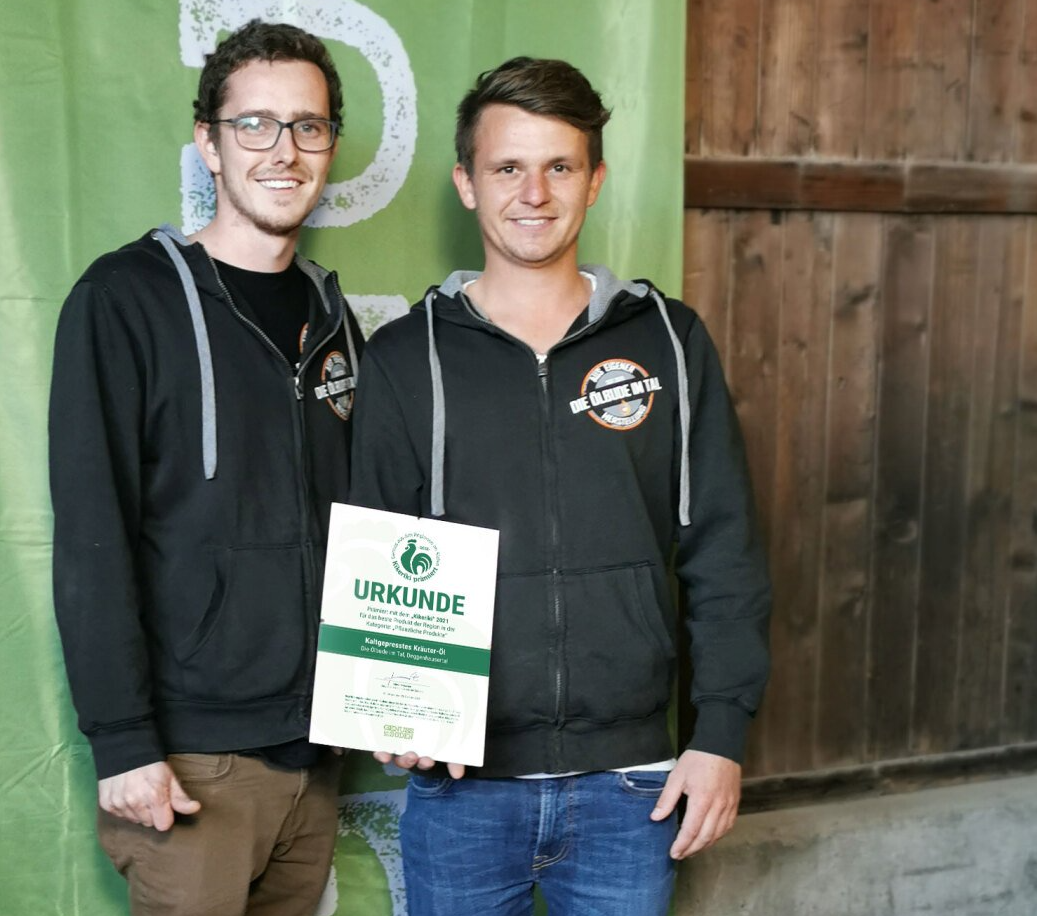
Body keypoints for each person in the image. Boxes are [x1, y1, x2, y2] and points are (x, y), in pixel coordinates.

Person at [349, 57, 771, 916]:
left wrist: (721, 735)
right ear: (467, 183)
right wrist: (393, 713)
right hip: (462, 788)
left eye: (559, 167)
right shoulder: (404, 358)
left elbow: (723, 549)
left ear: (595, 180)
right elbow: (378, 552)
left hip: (633, 785)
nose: (534, 193)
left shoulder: (669, 340)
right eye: (507, 167)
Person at [48, 19, 361, 916]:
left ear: (330, 145)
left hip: (315, 757)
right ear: (209, 144)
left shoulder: (332, 317)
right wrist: (123, 741)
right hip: (191, 763)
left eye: (307, 125)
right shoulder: (125, 299)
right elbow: (92, 531)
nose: (283, 150)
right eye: (254, 124)